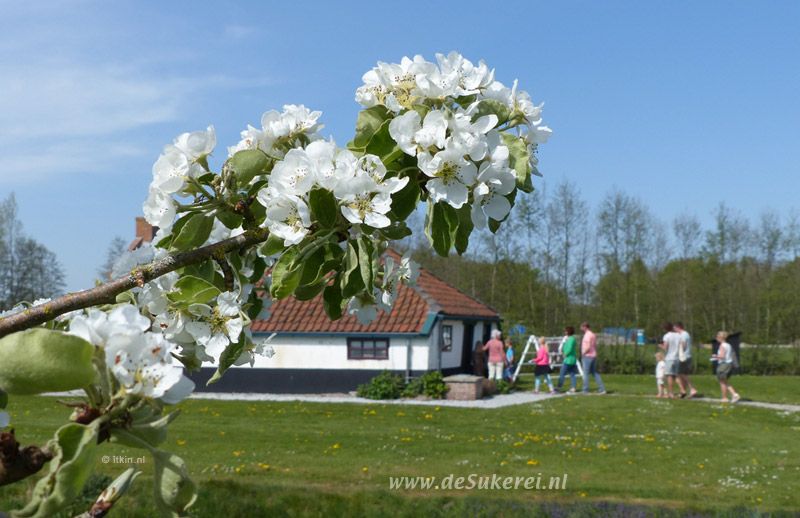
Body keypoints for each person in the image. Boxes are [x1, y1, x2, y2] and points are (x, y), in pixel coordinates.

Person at [712, 331, 741, 403]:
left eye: (717, 337)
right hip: (729, 364)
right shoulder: (728, 345)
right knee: (724, 381)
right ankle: (734, 395)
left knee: (722, 382)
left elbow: (722, 356)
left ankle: (726, 397)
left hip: (723, 365)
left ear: (720, 338)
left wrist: (715, 356)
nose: (716, 338)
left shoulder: (722, 345)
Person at [580, 321, 606, 394]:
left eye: (581, 327)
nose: (581, 328)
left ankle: (585, 390)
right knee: (594, 373)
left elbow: (588, 346)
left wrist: (583, 353)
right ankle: (602, 388)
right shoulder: (593, 334)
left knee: (586, 373)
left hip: (587, 356)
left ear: (585, 327)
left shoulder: (587, 335)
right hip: (593, 355)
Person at [674, 322, 697, 398]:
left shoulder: (684, 334)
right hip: (687, 356)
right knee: (682, 375)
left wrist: (676, 350)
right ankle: (683, 392)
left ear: (678, 327)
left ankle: (692, 388)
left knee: (679, 374)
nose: (674, 330)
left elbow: (683, 345)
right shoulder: (685, 334)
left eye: (675, 328)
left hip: (683, 357)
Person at [659, 322, 681, 398]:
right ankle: (679, 391)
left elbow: (665, 348)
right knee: (675, 376)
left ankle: (671, 393)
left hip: (670, 358)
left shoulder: (666, 336)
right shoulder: (678, 335)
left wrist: (660, 345)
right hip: (677, 357)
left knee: (669, 376)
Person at [556, 326, 579, 393]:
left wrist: (565, 354)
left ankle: (559, 387)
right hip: (571, 359)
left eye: (566, 331)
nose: (565, 332)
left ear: (568, 331)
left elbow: (570, 348)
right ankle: (573, 388)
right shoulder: (569, 339)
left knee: (562, 373)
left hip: (569, 359)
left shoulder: (571, 339)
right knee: (572, 374)